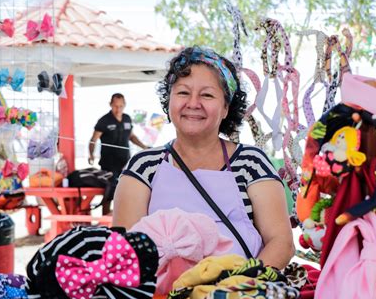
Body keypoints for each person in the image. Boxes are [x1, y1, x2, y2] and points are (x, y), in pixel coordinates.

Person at [113, 47, 294, 269]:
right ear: (169, 100)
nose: (193, 103)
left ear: (226, 107)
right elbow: (124, 253)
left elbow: (281, 243)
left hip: (240, 296)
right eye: (183, 93)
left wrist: (235, 287)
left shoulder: (251, 162)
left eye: (207, 94)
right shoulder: (143, 167)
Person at [89, 93, 148, 214]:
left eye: (121, 106)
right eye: (115, 106)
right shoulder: (104, 120)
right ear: (110, 105)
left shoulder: (127, 118)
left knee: (127, 190)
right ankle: (106, 218)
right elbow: (93, 140)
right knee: (109, 191)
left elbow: (131, 136)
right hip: (109, 163)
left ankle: (124, 216)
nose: (118, 109)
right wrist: (91, 154)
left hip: (125, 162)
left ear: (124, 105)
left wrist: (144, 147)